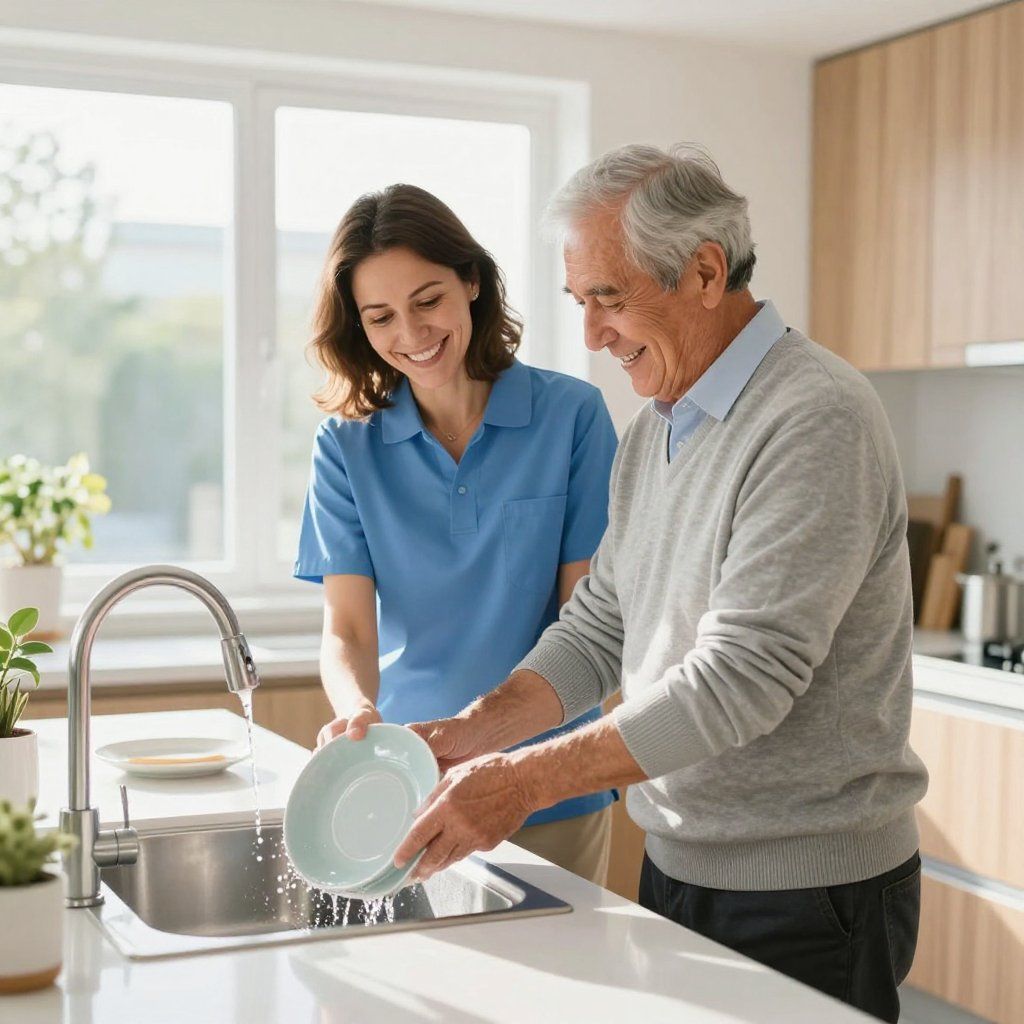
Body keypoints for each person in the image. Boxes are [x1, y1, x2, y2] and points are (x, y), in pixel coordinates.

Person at [392, 145, 929, 1024]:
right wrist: (471, 731)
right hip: (681, 863)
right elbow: (601, 625)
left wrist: (520, 783)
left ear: (707, 271)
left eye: (611, 296)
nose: (593, 334)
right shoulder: (657, 429)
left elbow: (741, 679)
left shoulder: (813, 416)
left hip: (807, 889)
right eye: (581, 302)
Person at [294, 183, 619, 886]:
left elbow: (588, 622)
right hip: (412, 782)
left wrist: (515, 750)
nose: (410, 334)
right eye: (380, 316)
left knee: (562, 989)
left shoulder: (573, 417)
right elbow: (348, 629)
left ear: (471, 281)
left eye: (428, 300)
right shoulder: (346, 447)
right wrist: (357, 717)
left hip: (550, 779)